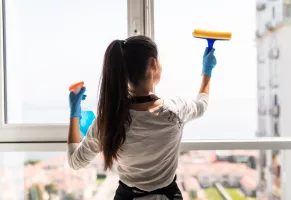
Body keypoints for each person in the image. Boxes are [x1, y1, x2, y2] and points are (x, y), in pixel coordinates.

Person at [67, 35, 216, 200]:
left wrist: (74, 113)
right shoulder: (175, 110)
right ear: (153, 64)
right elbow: (201, 105)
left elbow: (75, 162)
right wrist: (207, 71)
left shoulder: (108, 120)